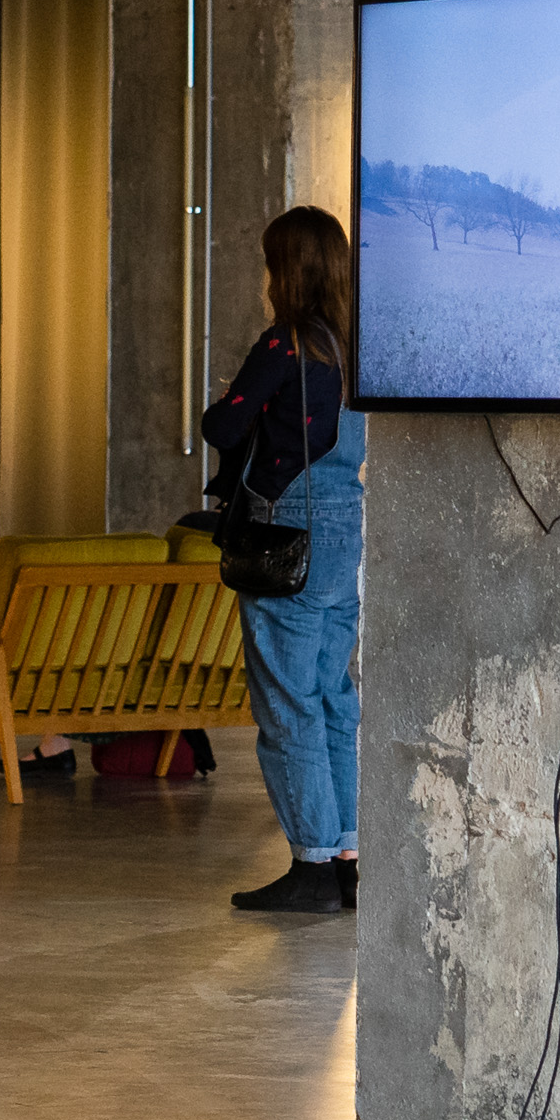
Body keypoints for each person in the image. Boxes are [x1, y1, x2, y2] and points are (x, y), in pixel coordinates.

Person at [204, 210, 366, 915]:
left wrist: (229, 401)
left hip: (290, 529)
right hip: (347, 527)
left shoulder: (285, 344)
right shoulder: (357, 349)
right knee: (332, 695)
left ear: (287, 271)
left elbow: (223, 426)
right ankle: (348, 857)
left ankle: (312, 866)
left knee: (287, 704)